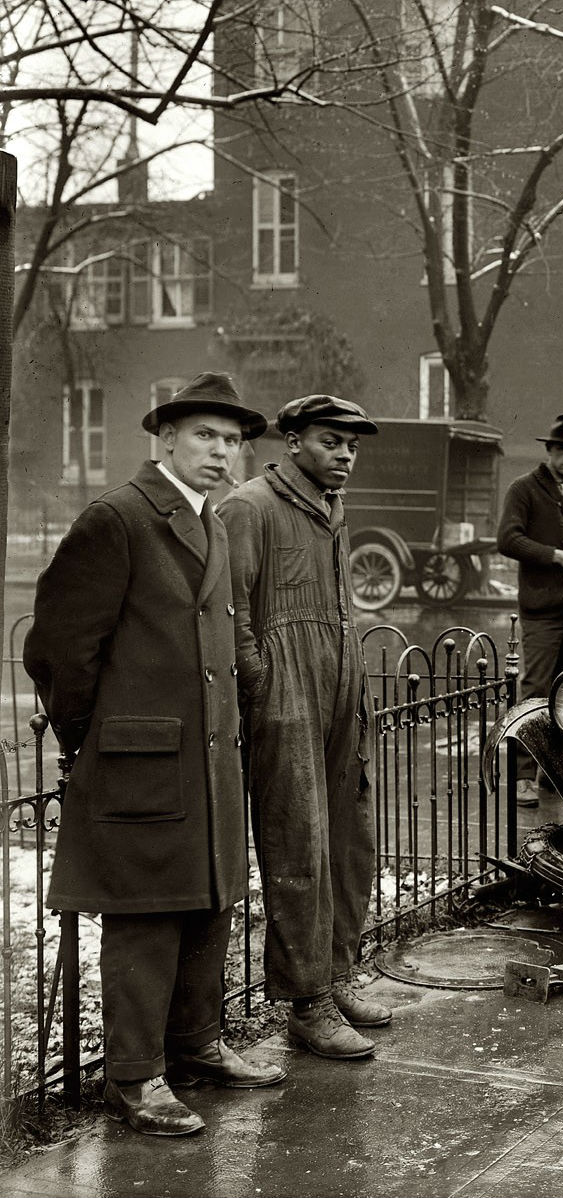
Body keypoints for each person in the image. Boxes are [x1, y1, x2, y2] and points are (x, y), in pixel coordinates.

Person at [25, 372, 285, 1137]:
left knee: (207, 900)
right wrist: (92, 740)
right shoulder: (119, 518)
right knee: (144, 916)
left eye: (233, 440)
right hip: (140, 760)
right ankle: (134, 1079)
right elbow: (60, 650)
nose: (222, 451)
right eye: (206, 434)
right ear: (165, 437)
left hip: (204, 759)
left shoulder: (214, 520)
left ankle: (196, 1043)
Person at [217, 394, 388, 1060]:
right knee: (298, 847)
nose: (345, 454)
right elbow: (233, 619)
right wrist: (263, 688)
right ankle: (306, 1002)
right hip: (286, 701)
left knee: (351, 844)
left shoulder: (330, 507)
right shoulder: (251, 508)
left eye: (352, 444)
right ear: (291, 441)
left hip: (341, 692)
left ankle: (337, 974)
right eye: (330, 440)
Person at [497, 414, 563, 703]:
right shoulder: (523, 489)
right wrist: (554, 556)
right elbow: (507, 539)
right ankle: (527, 750)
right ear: (549, 451)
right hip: (543, 610)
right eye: (562, 451)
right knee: (536, 690)